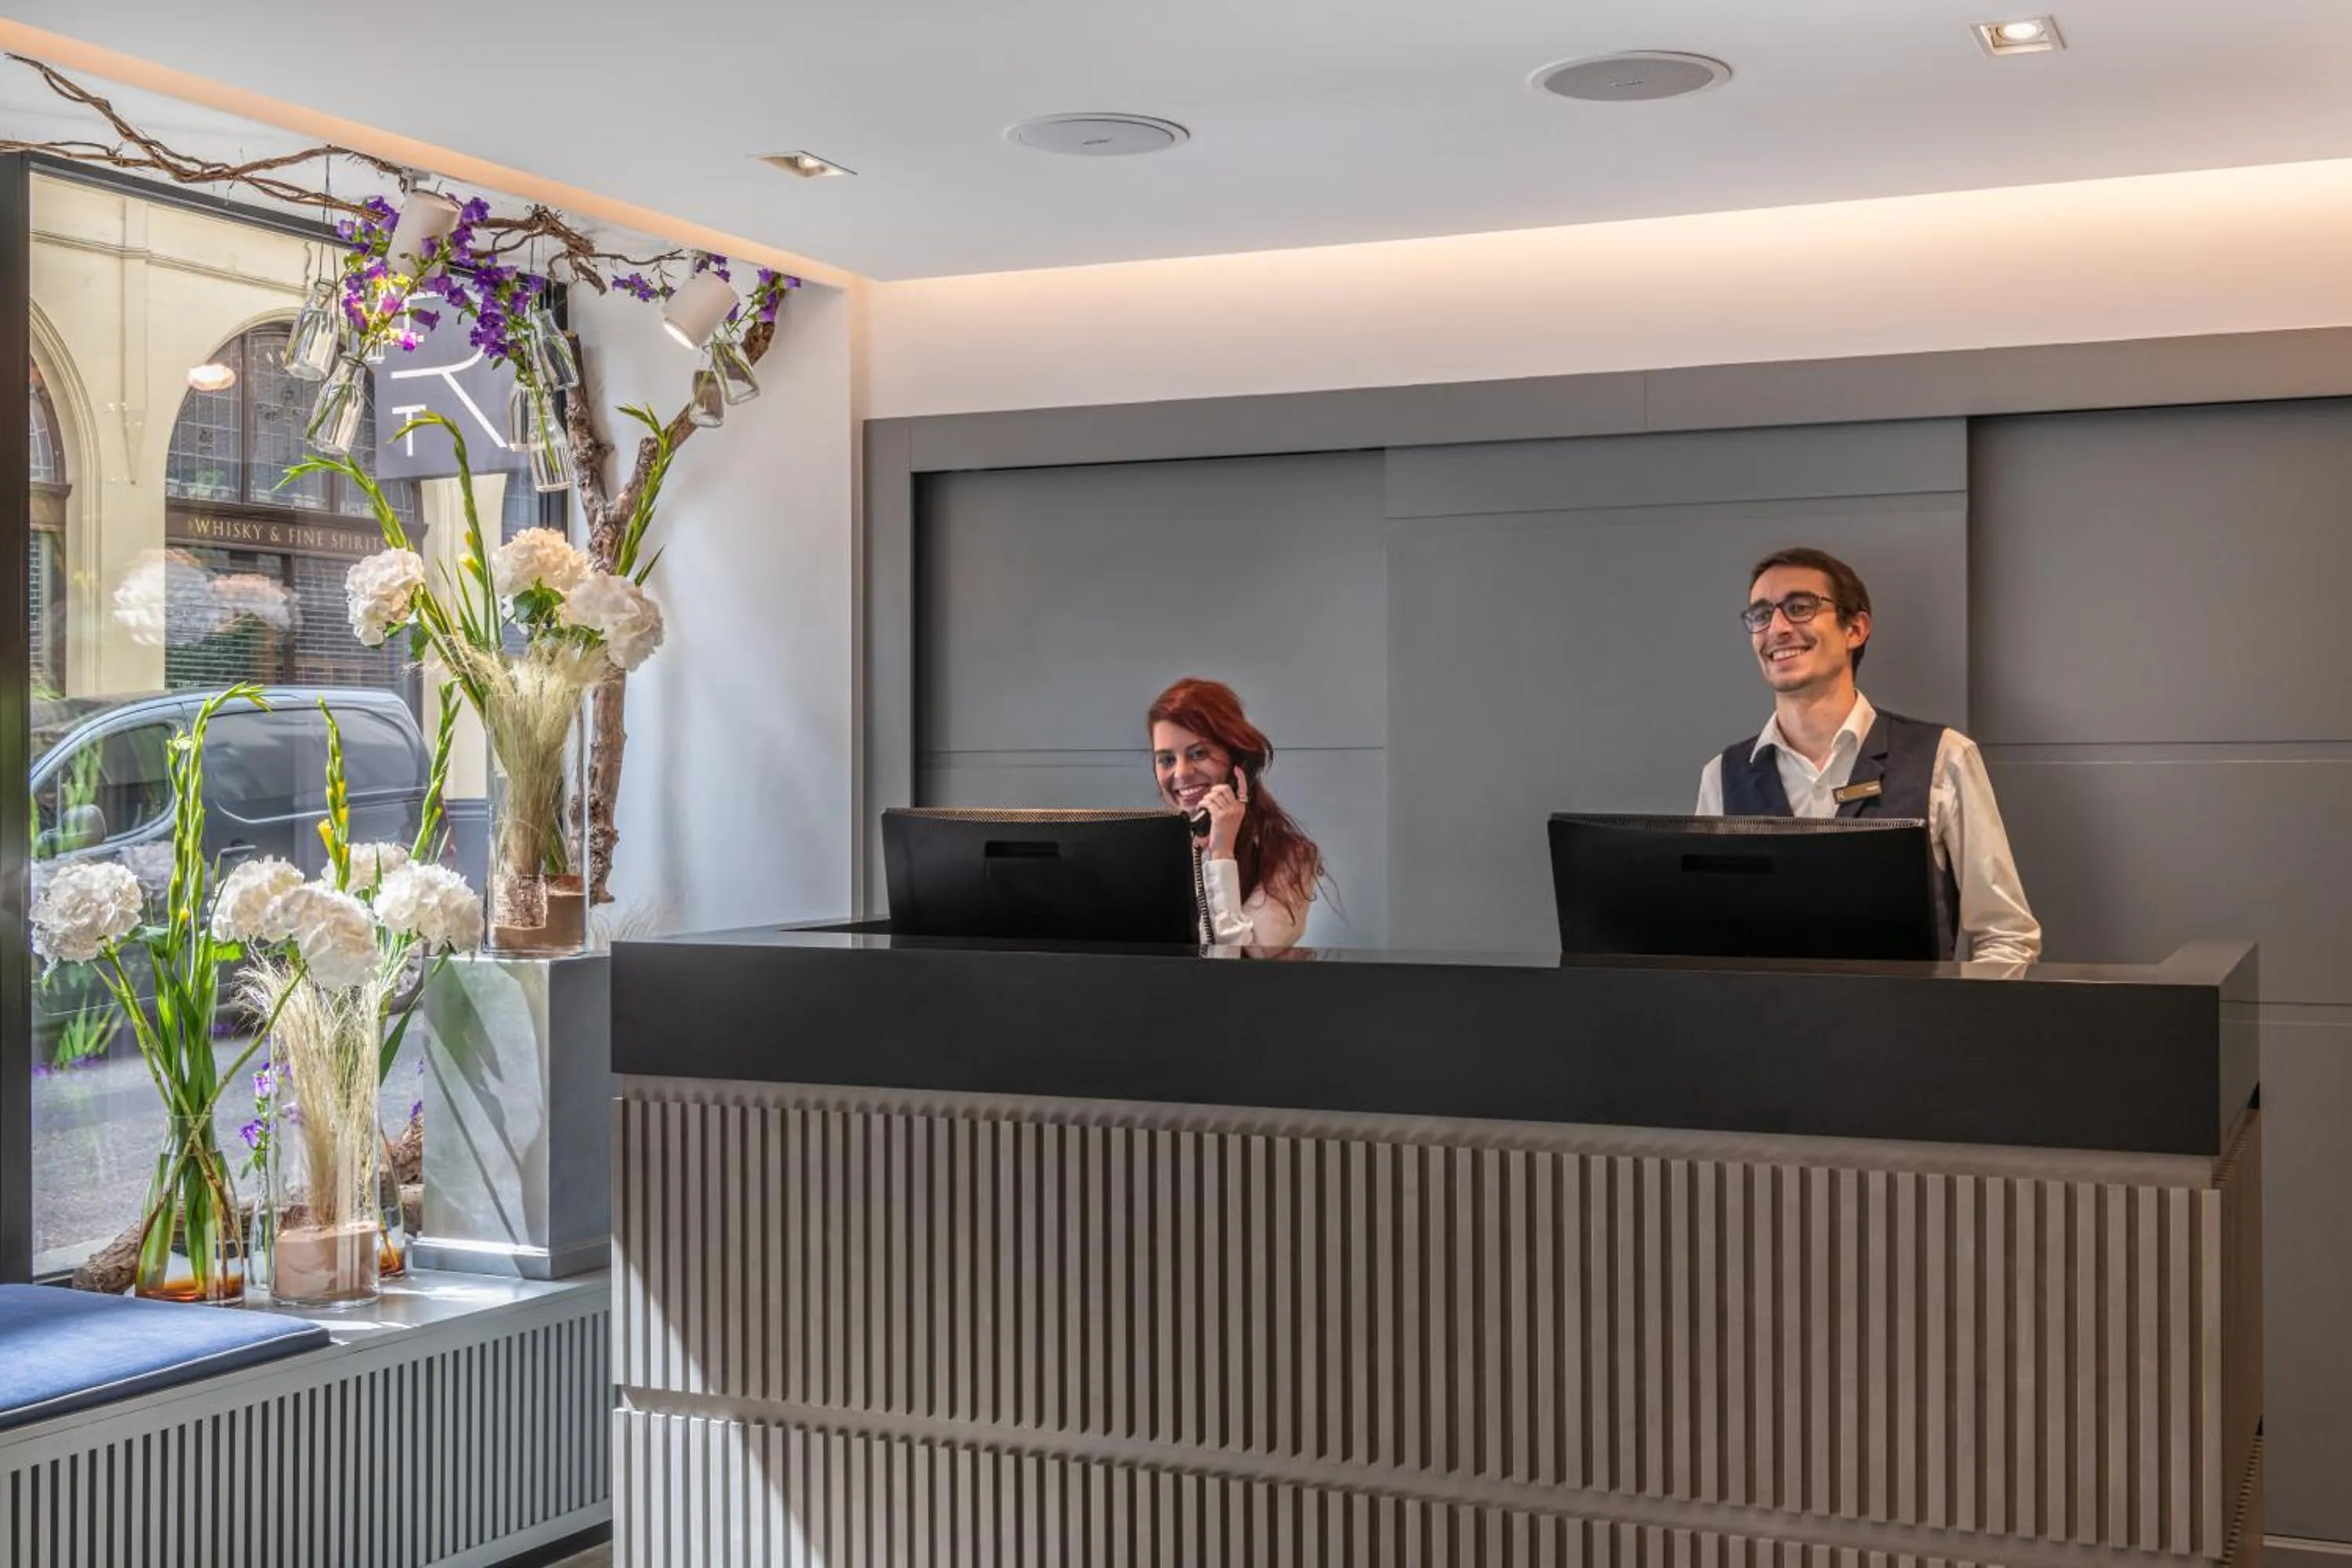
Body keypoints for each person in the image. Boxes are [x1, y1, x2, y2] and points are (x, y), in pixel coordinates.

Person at [1695, 546, 2042, 964]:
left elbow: (2006, 936)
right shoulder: (1722, 776)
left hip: (1907, 1010)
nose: (1778, 628)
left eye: (1800, 607)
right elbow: (1706, 939)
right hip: (1764, 1011)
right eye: (1761, 614)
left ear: (1855, 629)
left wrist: (1952, 1005)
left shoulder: (1943, 757)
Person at [1147, 678, 1324, 951]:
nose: (1181, 773)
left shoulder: (1291, 857)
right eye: (1167, 760)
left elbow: (1238, 963)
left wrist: (1222, 854)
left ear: (1237, 761)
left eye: (1198, 753)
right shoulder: (1149, 850)